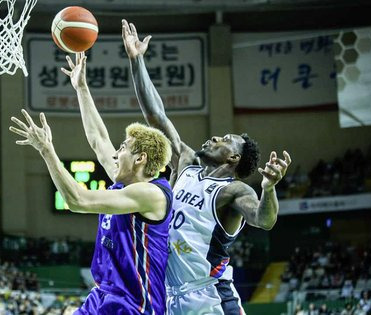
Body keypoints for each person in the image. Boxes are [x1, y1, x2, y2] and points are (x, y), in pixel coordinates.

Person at [122, 19, 292, 314]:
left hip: (210, 298)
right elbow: (156, 116)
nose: (214, 137)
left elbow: (264, 220)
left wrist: (269, 188)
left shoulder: (233, 191)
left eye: (226, 140)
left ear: (233, 158)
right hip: (169, 296)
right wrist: (137, 61)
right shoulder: (186, 163)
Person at [10, 53, 173, 313]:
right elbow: (98, 139)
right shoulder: (126, 183)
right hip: (104, 294)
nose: (116, 154)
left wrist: (47, 151)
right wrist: (82, 88)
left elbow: (78, 200)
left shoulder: (151, 194)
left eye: (123, 148)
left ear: (140, 159)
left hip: (135, 304)